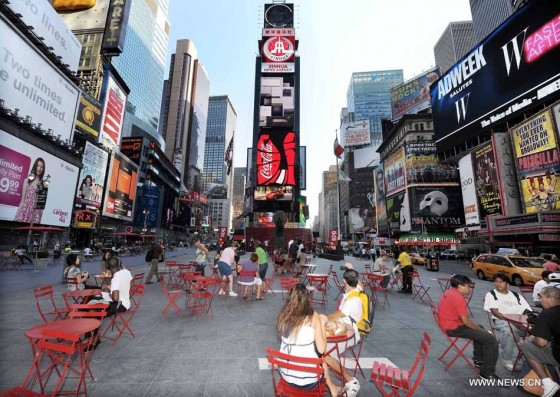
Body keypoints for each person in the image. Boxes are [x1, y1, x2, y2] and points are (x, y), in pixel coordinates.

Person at [277, 283, 338, 395]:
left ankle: (334, 388)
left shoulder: (283, 315)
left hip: (286, 376)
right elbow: (321, 349)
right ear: (307, 298)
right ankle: (333, 389)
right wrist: (323, 324)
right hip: (308, 382)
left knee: (312, 355)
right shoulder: (312, 316)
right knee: (321, 358)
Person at [439, 274, 500, 380]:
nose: (469, 289)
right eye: (468, 286)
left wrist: (480, 329)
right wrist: (484, 331)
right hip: (453, 328)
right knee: (489, 338)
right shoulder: (458, 297)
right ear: (460, 286)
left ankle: (479, 359)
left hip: (448, 324)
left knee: (479, 330)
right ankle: (487, 373)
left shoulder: (450, 292)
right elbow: (466, 322)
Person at [324, 268, 362, 397]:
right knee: (322, 349)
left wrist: (321, 318)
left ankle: (351, 381)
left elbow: (338, 314)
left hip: (349, 335)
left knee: (323, 353)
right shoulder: (357, 291)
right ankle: (324, 372)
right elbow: (362, 285)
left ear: (343, 281)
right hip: (343, 330)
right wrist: (351, 269)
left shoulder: (352, 301)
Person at [483, 274, 532, 371]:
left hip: (520, 321)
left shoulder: (516, 295)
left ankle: (532, 360)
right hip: (501, 320)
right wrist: (512, 322)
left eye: (501, 282)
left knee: (537, 332)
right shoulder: (491, 294)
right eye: (496, 281)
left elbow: (527, 311)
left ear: (507, 284)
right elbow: (495, 312)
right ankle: (507, 359)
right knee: (509, 331)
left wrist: (529, 322)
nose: (498, 284)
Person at [521, 286, 560, 397]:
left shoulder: (547, 314)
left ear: (551, 299)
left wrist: (531, 338)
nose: (539, 300)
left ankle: (548, 383)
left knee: (526, 344)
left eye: (541, 297)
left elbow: (541, 342)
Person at [14, 157, 46, 223]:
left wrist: (39, 219)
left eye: (42, 167)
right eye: (38, 166)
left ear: (43, 169)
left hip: (36, 215)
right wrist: (16, 216)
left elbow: (41, 206)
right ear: (35, 166)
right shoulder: (28, 180)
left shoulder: (43, 185)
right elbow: (22, 201)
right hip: (25, 212)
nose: (39, 169)